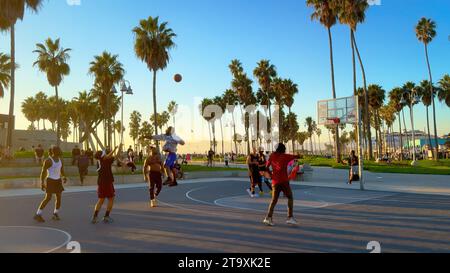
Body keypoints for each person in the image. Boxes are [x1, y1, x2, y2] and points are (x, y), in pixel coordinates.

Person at [263, 143, 300, 227]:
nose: (285, 149)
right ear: (282, 149)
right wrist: (299, 155)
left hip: (275, 182)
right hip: (284, 181)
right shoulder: (285, 156)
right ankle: (290, 217)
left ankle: (268, 218)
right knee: (290, 197)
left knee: (274, 200)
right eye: (284, 148)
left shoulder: (272, 156)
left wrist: (271, 176)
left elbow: (266, 167)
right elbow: (296, 156)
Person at [34, 146, 67, 223]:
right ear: (54, 151)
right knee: (48, 198)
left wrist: (64, 176)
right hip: (50, 180)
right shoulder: (48, 161)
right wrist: (42, 183)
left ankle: (55, 213)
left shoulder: (61, 160)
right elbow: (43, 172)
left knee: (59, 198)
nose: (60, 151)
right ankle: (38, 214)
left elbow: (61, 170)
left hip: (58, 180)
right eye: (59, 150)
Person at [91, 145, 122, 224]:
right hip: (107, 183)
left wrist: (115, 149)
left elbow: (108, 156)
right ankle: (106, 216)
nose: (105, 154)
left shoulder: (100, 161)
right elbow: (116, 156)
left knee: (101, 200)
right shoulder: (106, 160)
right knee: (111, 198)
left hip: (101, 183)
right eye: (104, 154)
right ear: (102, 156)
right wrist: (118, 148)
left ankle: (94, 217)